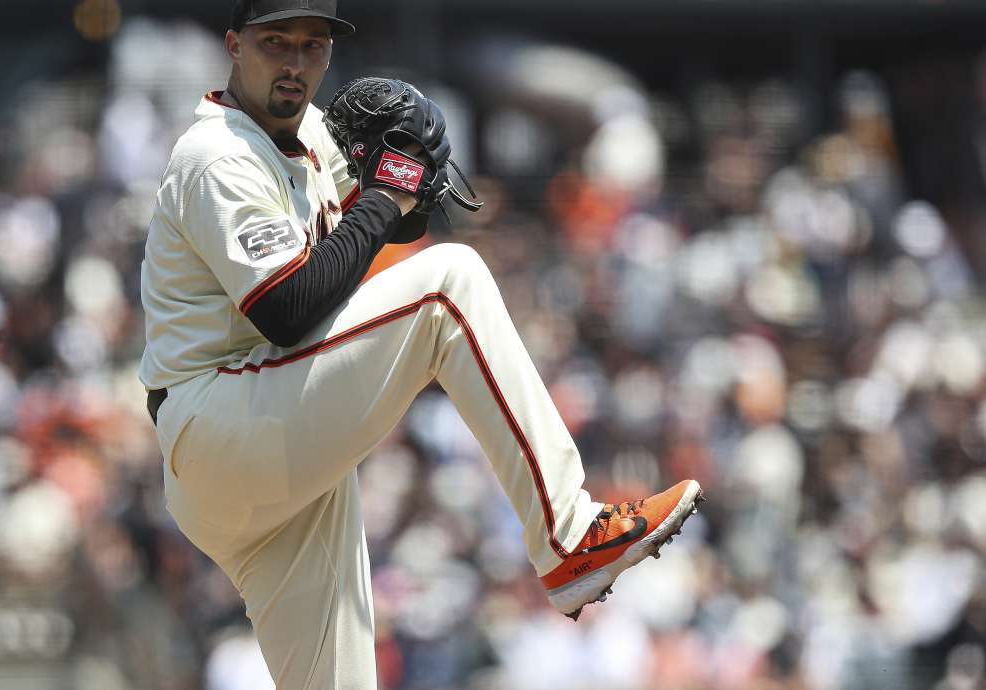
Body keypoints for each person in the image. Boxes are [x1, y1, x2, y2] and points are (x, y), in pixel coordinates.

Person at [138, 1, 703, 686]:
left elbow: (386, 222)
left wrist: (410, 183)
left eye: (311, 45)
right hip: (221, 419)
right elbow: (286, 309)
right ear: (233, 45)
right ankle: (569, 537)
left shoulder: (312, 134)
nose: (294, 62)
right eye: (274, 42)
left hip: (269, 440)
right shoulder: (217, 154)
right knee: (447, 284)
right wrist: (387, 196)